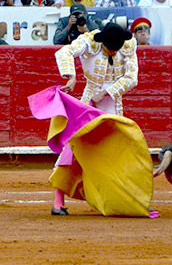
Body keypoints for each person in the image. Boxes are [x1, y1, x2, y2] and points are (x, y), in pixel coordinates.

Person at [51, 22, 138, 215]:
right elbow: (63, 53)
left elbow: (132, 77)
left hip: (112, 103)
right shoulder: (90, 42)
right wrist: (70, 76)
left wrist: (107, 92)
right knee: (74, 148)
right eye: (110, 49)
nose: (115, 53)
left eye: (117, 49)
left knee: (117, 150)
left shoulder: (128, 44)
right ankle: (58, 201)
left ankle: (129, 199)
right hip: (89, 101)